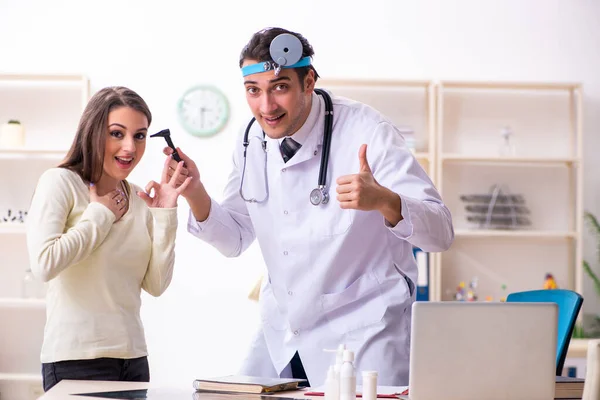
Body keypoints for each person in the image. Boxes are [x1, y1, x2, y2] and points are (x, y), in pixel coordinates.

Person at [165, 27, 454, 387]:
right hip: (283, 329)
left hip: (363, 330)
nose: (266, 106)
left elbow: (441, 233)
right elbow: (234, 240)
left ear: (309, 81)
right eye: (254, 91)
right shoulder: (250, 139)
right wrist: (195, 193)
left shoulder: (367, 131)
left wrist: (384, 201)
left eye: (280, 87)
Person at [26, 86, 191, 392]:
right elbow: (43, 264)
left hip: (133, 360)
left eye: (139, 136)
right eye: (117, 133)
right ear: (92, 132)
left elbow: (156, 285)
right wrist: (100, 215)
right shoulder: (60, 182)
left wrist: (165, 214)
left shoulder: (140, 199)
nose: (130, 147)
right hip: (76, 360)